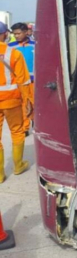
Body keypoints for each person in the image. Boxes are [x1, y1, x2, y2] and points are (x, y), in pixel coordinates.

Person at [0, 21, 33, 183]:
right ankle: (18, 166)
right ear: (6, 34)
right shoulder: (13, 54)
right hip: (11, 100)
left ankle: (0, 175)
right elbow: (23, 80)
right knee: (17, 131)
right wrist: (27, 101)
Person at [9, 23, 35, 135]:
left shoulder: (35, 45)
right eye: (15, 34)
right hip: (18, 81)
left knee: (33, 103)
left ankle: (36, 123)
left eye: (19, 33)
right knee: (22, 105)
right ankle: (25, 128)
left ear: (26, 32)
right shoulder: (10, 47)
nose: (17, 36)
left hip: (33, 80)